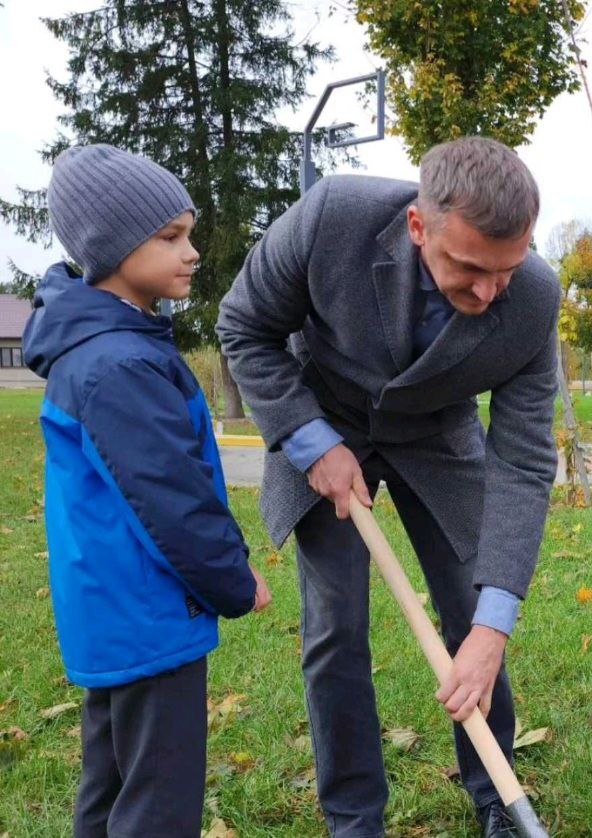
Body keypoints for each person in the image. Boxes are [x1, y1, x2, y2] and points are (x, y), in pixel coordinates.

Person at [216, 137, 560, 837]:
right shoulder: (334, 218)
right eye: (468, 269)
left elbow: (523, 461)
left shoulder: (532, 298)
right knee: (335, 630)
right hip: (323, 411)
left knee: (472, 610)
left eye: (506, 269)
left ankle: (497, 799)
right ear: (417, 226)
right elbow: (244, 327)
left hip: (437, 431)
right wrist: (312, 443)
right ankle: (354, 819)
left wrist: (494, 628)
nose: (490, 291)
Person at [22, 144, 271, 838]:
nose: (190, 252)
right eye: (169, 237)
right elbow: (169, 499)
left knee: (112, 782)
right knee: (158, 799)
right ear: (109, 249)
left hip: (110, 613)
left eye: (187, 232)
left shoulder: (103, 347)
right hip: (146, 613)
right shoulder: (119, 364)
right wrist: (232, 579)